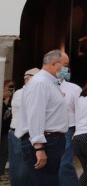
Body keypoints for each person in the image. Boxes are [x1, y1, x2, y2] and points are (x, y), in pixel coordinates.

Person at [16, 49, 70, 185]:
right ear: (53, 64)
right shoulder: (40, 83)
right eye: (65, 65)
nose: (67, 69)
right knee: (44, 182)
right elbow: (35, 115)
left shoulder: (50, 82)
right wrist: (39, 147)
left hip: (52, 140)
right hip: (46, 141)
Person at [9, 68, 38, 186]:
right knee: (20, 170)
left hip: (28, 135)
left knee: (29, 170)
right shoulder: (21, 93)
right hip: (20, 135)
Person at [57, 64, 82, 185]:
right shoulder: (43, 85)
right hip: (47, 130)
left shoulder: (74, 89)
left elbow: (80, 111)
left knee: (64, 163)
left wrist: (78, 130)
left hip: (68, 130)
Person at [0, 80, 15, 180]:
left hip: (6, 130)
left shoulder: (13, 100)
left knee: (4, 152)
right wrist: (4, 98)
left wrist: (9, 98)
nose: (10, 89)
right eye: (9, 86)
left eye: (12, 87)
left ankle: (1, 172)